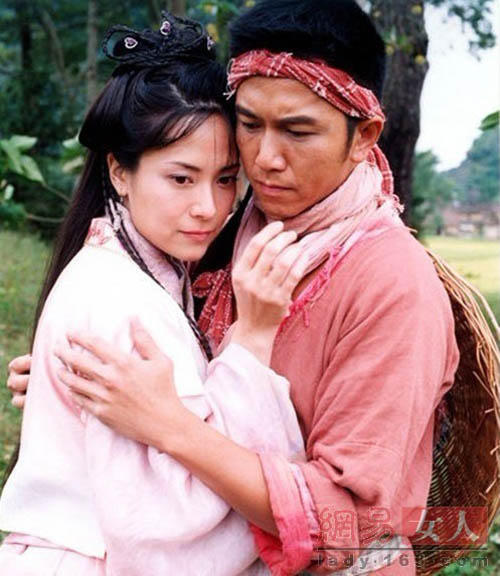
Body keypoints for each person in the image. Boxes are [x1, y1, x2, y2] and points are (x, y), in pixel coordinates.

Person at [7, 1, 460, 575]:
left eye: (297, 131)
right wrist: (82, 389)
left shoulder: (393, 285)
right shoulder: (224, 232)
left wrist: (168, 426)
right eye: (249, 124)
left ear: (362, 136)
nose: (265, 160)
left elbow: (349, 523)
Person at [0, 13, 309, 576]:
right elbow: (168, 528)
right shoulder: (119, 300)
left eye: (225, 179)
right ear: (120, 172)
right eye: (181, 178)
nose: (209, 208)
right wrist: (253, 339)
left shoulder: (139, 273)